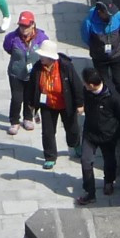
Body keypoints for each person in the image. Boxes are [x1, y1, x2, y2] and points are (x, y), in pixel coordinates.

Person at [75, 66, 120, 203]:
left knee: (109, 160)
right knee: (86, 161)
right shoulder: (87, 91)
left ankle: (109, 182)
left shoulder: (113, 97)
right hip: (90, 133)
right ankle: (90, 193)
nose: (84, 85)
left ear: (92, 85)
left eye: (85, 83)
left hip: (108, 135)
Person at [33, 41, 80, 170]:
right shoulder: (37, 68)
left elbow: (76, 85)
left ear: (51, 57)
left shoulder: (66, 67)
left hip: (65, 103)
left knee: (72, 128)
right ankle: (50, 156)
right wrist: (32, 107)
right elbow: (32, 88)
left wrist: (80, 104)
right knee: (47, 132)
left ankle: (75, 144)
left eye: (43, 56)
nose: (41, 58)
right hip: (47, 104)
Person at [3, 10, 49, 133]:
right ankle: (14, 121)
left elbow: (46, 53)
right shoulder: (11, 37)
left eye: (26, 26)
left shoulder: (42, 38)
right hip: (16, 73)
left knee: (30, 97)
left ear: (33, 24)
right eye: (21, 26)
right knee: (17, 99)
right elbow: (8, 48)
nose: (23, 29)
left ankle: (28, 118)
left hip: (33, 74)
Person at [81, 0, 120, 84]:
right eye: (108, 14)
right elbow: (86, 38)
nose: (111, 16)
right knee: (104, 83)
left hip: (116, 54)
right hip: (99, 58)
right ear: (99, 12)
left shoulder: (118, 15)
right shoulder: (88, 22)